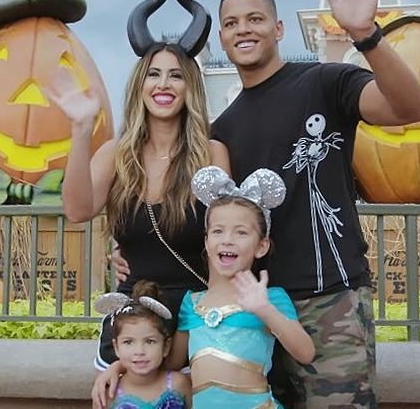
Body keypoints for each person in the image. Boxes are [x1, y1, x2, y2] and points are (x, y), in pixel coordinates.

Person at [209, 0, 420, 408]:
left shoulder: (325, 83)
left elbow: (411, 108)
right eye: (232, 23)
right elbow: (222, 224)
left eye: (255, 19)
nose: (243, 29)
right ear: (222, 36)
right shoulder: (225, 128)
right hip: (261, 307)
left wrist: (365, 35)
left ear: (278, 29)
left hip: (331, 299)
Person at [46, 0, 229, 373]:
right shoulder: (116, 152)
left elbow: (227, 242)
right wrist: (81, 130)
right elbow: (78, 210)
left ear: (190, 87)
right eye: (154, 74)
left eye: (176, 74)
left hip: (196, 316)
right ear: (140, 85)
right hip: (133, 324)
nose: (164, 84)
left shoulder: (211, 154)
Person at [95, 166, 315, 409]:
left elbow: (305, 353)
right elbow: (170, 363)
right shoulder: (193, 303)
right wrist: (118, 366)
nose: (227, 239)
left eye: (241, 232)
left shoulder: (269, 297)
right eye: (218, 231)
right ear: (207, 241)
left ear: (261, 246)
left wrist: (265, 310)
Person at [94, 280, 192, 409]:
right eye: (128, 342)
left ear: (166, 346)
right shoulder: (109, 393)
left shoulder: (179, 384)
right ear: (116, 347)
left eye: (150, 341)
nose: (139, 351)